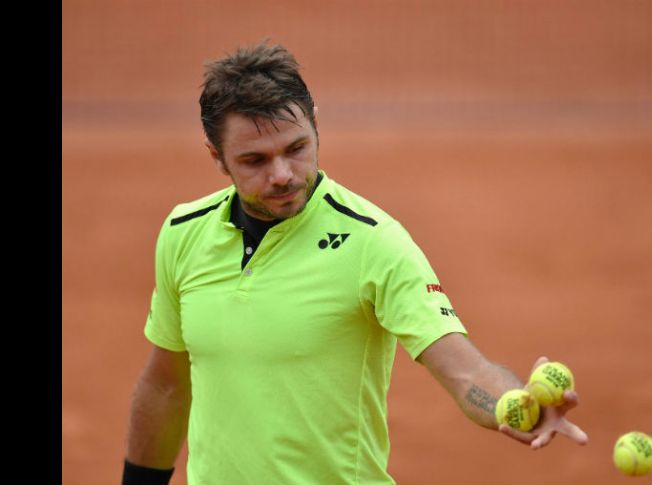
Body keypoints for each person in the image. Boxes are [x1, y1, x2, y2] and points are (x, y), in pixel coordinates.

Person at [122, 41, 588, 485]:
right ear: (217, 157)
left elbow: (464, 371)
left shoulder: (374, 242)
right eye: (254, 160)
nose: (282, 174)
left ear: (316, 127)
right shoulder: (184, 232)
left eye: (296, 148)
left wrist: (512, 401)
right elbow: (166, 385)